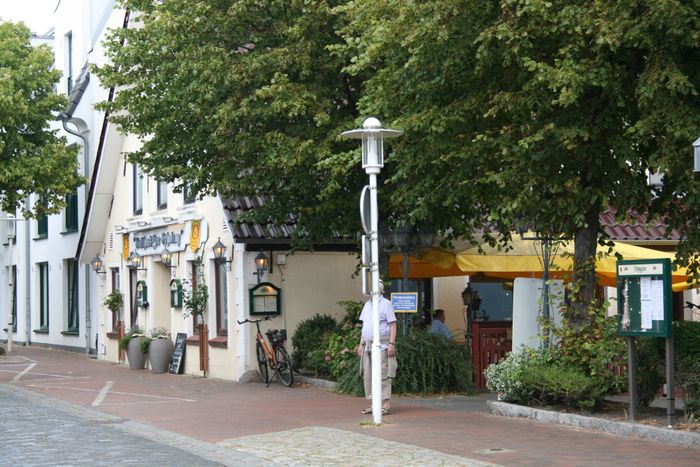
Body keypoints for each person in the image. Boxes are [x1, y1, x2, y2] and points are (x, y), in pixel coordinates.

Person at [357, 281, 397, 415]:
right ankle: (374, 404)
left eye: (372, 289)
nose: (370, 292)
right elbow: (365, 327)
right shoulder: (367, 305)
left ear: (380, 290)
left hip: (382, 345)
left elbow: (392, 325)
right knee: (368, 375)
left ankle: (385, 405)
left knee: (383, 375)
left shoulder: (386, 304)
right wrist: (361, 344)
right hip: (368, 344)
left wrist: (391, 344)